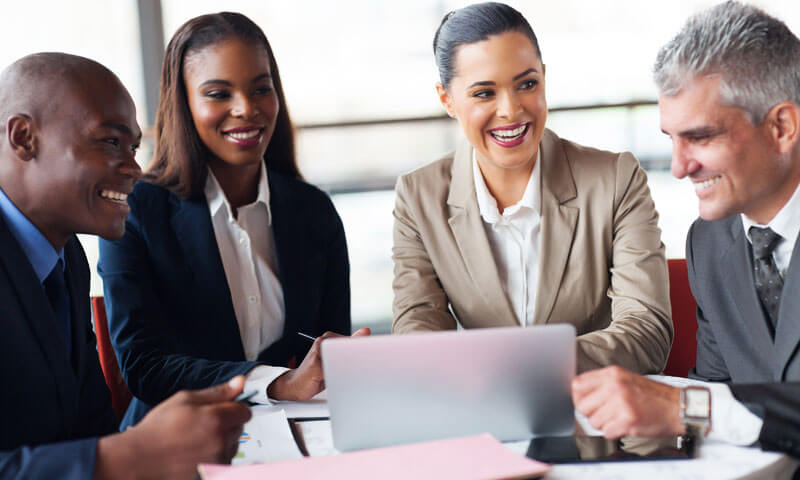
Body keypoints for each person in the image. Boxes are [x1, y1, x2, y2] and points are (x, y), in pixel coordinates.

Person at [98, 12, 368, 429]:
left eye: (261, 89)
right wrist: (276, 384)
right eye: (218, 94)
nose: (246, 109)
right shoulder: (138, 211)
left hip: (301, 431)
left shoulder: (313, 211)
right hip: (175, 439)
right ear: (184, 103)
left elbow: (327, 355)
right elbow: (143, 366)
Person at [0, 52, 251, 480]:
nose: (135, 169)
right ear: (24, 137)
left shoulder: (67, 259)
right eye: (110, 141)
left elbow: (86, 425)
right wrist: (125, 457)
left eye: (134, 147)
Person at [392, 2, 672, 373]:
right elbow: (417, 330)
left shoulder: (616, 180)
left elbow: (647, 333)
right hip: (485, 417)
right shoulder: (419, 197)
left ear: (544, 78)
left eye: (527, 84)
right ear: (448, 100)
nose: (510, 110)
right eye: (484, 93)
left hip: (592, 418)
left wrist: (518, 365)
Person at [572, 1, 800, 457]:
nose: (679, 167)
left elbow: (703, 405)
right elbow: (713, 391)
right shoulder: (710, 242)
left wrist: (686, 406)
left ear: (781, 126)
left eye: (700, 137)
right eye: (670, 139)